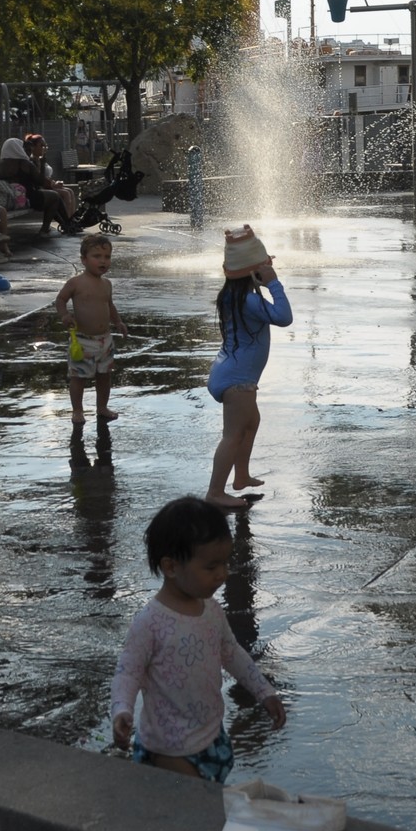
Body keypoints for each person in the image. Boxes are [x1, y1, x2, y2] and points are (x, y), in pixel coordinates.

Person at [111, 497, 285, 782]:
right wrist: (121, 710)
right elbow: (127, 672)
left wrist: (263, 690)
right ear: (171, 567)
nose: (223, 573)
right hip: (168, 747)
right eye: (211, 566)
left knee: (202, 814)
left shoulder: (212, 610)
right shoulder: (151, 622)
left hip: (210, 734)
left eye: (225, 562)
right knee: (196, 812)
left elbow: (231, 653)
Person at [205, 226, 291, 509]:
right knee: (232, 435)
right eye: (265, 266)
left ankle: (241, 475)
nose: (270, 268)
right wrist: (274, 284)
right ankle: (215, 492)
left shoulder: (233, 296)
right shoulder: (250, 300)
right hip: (237, 381)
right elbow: (283, 317)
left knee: (250, 423)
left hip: (230, 372)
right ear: (253, 273)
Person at [55, 234, 127, 424]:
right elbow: (61, 299)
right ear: (84, 260)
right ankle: (77, 410)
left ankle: (102, 407)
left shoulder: (107, 284)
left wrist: (118, 322)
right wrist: (64, 315)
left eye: (107, 257)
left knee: (105, 376)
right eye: (97, 256)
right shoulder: (76, 283)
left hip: (105, 339)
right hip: (82, 339)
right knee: (78, 377)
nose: (103, 261)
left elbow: (109, 305)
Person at [0, 137, 70, 236]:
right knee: (54, 197)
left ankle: (66, 224)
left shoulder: (1, 165)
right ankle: (46, 228)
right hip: (27, 197)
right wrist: (42, 164)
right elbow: (41, 181)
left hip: (11, 197)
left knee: (53, 197)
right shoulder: (24, 163)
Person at [25, 133, 79, 226]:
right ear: (33, 147)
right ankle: (68, 221)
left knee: (70, 191)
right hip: (41, 188)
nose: (44, 148)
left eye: (45, 146)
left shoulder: (41, 159)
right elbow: (39, 179)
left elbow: (46, 177)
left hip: (47, 185)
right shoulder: (33, 161)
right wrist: (53, 185)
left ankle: (71, 219)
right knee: (66, 193)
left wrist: (54, 182)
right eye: (41, 145)